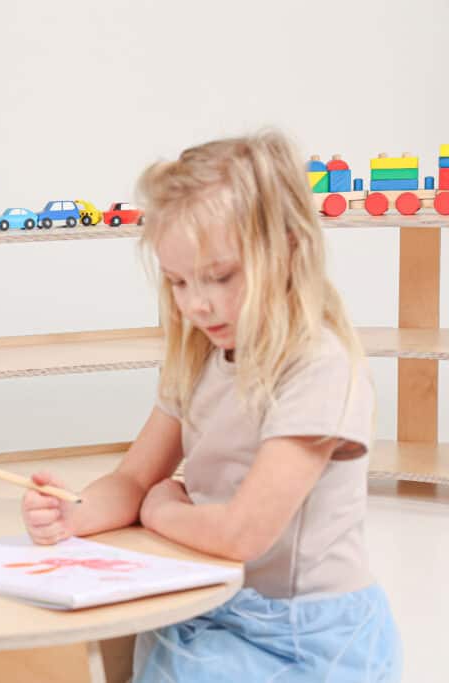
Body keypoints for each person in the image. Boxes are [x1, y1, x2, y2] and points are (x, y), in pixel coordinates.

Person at [22, 131, 402, 681]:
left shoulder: (318, 365)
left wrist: (161, 510)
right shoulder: (201, 354)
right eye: (178, 282)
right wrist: (72, 512)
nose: (197, 303)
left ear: (289, 248)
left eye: (220, 277)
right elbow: (133, 478)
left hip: (306, 636)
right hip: (212, 605)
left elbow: (243, 534)